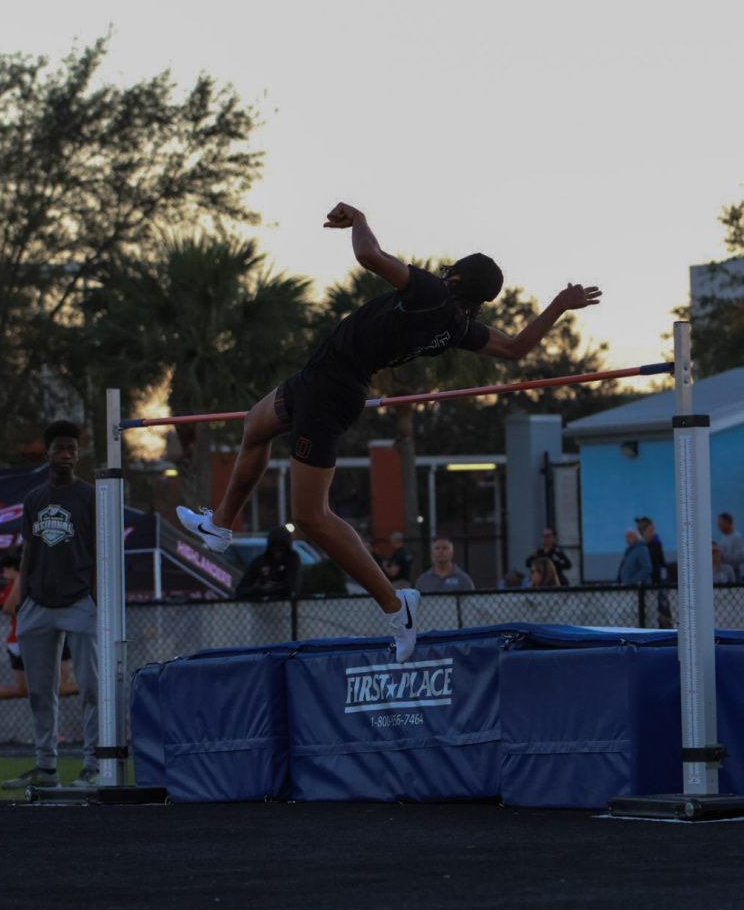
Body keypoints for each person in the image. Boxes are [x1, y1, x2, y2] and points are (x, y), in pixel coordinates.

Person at [177, 202, 601, 663]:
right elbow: (517, 349)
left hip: (330, 391)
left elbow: (369, 257)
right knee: (256, 427)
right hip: (317, 378)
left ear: (455, 277)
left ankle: (397, 606)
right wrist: (559, 305)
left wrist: (358, 219)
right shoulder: (456, 325)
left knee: (312, 516)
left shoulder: (432, 293)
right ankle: (220, 524)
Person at [0, 420, 99, 792]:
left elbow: (100, 548)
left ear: (78, 453)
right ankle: (46, 765)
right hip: (37, 603)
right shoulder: (34, 499)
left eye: (72, 448)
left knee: (91, 688)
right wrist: (21, 595)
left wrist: (96, 597)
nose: (67, 453)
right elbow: (28, 550)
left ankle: (92, 765)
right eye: (60, 447)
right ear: (47, 452)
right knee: (40, 690)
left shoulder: (89, 496)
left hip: (79, 600)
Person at [0, 552, 78, 724]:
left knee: (31, 690)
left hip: (31, 639)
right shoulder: (22, 582)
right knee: (55, 688)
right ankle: (100, 688)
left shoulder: (32, 580)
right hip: (30, 640)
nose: (3, 574)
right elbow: (8, 608)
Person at [234, 526, 302, 600]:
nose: (278, 552)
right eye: (275, 547)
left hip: (286, 605)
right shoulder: (262, 561)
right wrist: (261, 589)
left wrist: (275, 588)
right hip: (265, 607)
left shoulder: (292, 559)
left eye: (281, 548)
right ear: (270, 547)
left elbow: (291, 587)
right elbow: (240, 590)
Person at [635, 516, 671, 628]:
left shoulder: (656, 544)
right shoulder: (639, 548)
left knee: (663, 609)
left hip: (658, 583)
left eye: (653, 530)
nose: (653, 533)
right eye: (650, 530)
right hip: (645, 586)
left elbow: (662, 562)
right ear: (643, 532)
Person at [716, 513, 744, 582]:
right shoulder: (723, 538)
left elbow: (740, 558)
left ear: (727, 523)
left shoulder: (737, 538)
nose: (718, 527)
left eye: (720, 524)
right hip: (726, 572)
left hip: (736, 573)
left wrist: (722, 555)